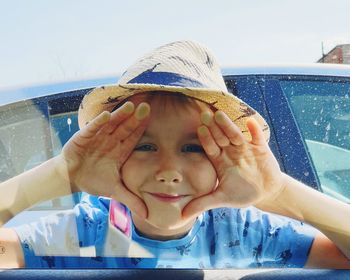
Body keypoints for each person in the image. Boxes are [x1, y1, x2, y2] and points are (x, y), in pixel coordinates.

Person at [0, 40, 349, 269]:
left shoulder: (240, 231)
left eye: (194, 148)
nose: (169, 170)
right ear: (114, 154)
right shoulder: (89, 231)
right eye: (145, 146)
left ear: (222, 160)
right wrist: (60, 176)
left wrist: (279, 193)